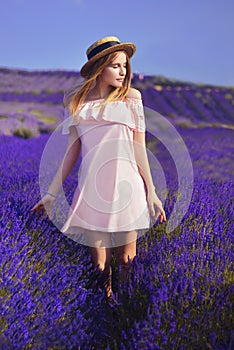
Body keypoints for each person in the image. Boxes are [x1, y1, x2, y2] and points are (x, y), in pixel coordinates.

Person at [30, 36, 166, 304]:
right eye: (116, 66)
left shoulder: (132, 99)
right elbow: (72, 150)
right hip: (93, 187)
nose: (123, 72)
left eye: (125, 66)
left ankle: (124, 315)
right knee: (100, 265)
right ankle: (105, 307)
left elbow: (140, 147)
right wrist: (52, 194)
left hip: (127, 186)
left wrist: (151, 191)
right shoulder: (77, 102)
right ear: (100, 67)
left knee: (127, 261)